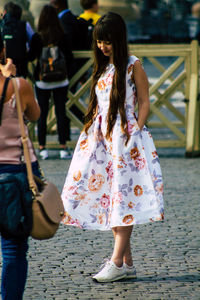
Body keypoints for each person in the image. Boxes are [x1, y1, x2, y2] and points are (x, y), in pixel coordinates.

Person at [61, 12, 164, 283]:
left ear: (119, 40)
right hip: (102, 140)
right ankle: (127, 263)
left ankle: (116, 261)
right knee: (112, 198)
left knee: (123, 198)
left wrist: (136, 131)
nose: (103, 46)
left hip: (125, 140)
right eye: (98, 41)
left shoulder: (132, 65)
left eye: (107, 41)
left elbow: (144, 102)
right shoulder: (104, 67)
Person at [0, 36, 41, 299]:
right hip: (15, 173)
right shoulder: (18, 85)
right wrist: (10, 78)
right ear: (2, 51)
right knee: (14, 250)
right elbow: (35, 115)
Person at [28, 5, 74, 160]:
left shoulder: (37, 37)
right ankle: (63, 147)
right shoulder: (63, 36)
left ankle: (42, 148)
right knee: (61, 113)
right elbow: (69, 57)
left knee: (42, 113)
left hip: (42, 81)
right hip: (61, 80)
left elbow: (31, 57)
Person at [0, 1, 35, 78]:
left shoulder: (1, 25)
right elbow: (34, 40)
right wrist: (29, 56)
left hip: (3, 70)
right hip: (21, 67)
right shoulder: (24, 25)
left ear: (5, 12)